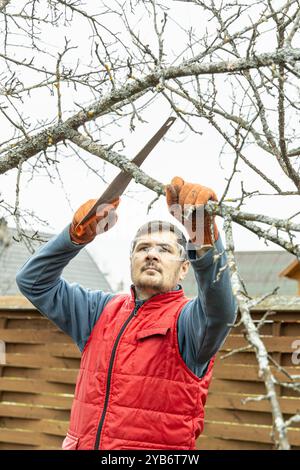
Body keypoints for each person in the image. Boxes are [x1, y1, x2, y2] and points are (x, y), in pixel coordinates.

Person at [16, 176, 237, 450]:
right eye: (143, 248)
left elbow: (221, 311)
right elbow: (32, 282)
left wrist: (205, 241)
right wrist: (73, 238)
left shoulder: (188, 321)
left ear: (183, 268)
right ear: (131, 260)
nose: (151, 255)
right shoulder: (99, 311)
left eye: (165, 250)